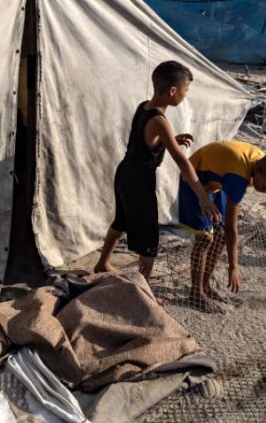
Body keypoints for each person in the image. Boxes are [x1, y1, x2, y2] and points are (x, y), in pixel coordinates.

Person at [94, 61, 222, 280]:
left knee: (122, 220)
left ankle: (102, 262)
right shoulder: (160, 121)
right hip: (139, 180)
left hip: (125, 172)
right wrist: (203, 196)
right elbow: (182, 161)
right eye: (185, 90)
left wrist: (172, 139)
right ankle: (143, 289)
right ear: (172, 91)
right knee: (149, 239)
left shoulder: (144, 106)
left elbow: (145, 139)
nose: (185, 95)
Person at [179, 141, 266, 312]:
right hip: (193, 181)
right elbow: (232, 229)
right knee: (204, 238)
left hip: (216, 184)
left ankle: (205, 284)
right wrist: (234, 266)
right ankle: (196, 293)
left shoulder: (261, 161)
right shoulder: (239, 177)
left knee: (220, 235)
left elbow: (226, 230)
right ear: (258, 170)